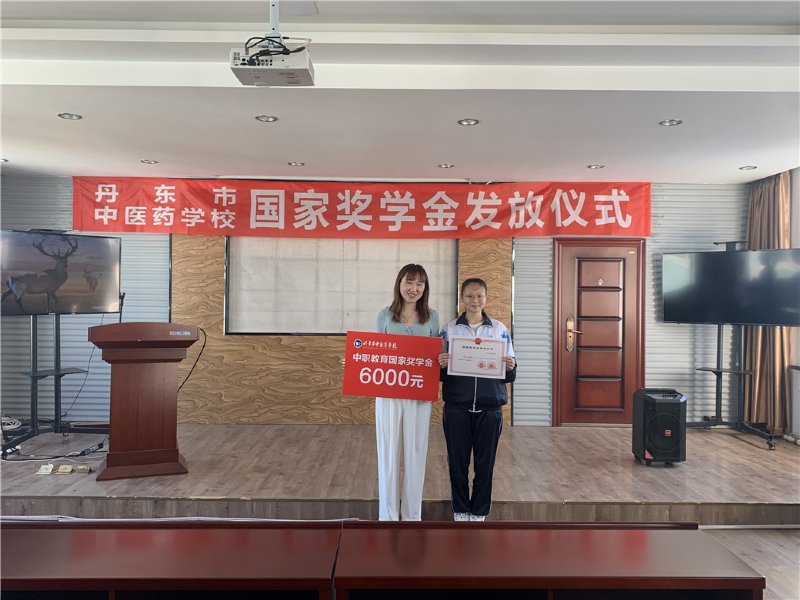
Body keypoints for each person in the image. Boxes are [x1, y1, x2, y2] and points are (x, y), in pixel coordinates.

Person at [438, 277, 516, 522]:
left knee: (485, 463)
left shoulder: (499, 329)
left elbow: (510, 374)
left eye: (479, 295)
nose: (475, 300)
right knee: (457, 462)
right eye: (470, 296)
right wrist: (440, 364)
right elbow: (438, 373)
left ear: (486, 298)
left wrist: (511, 366)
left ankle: (479, 511)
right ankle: (460, 509)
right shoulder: (448, 329)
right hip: (457, 407)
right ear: (462, 298)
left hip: (490, 408)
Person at [375, 263, 440, 521]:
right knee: (388, 453)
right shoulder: (384, 315)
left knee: (415, 452)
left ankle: (412, 515)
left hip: (419, 395)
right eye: (409, 282)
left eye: (419, 284)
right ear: (399, 284)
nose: (413, 288)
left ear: (425, 288)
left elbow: (436, 355)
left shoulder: (432, 317)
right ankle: (388, 516)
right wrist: (356, 362)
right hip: (388, 393)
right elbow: (376, 352)